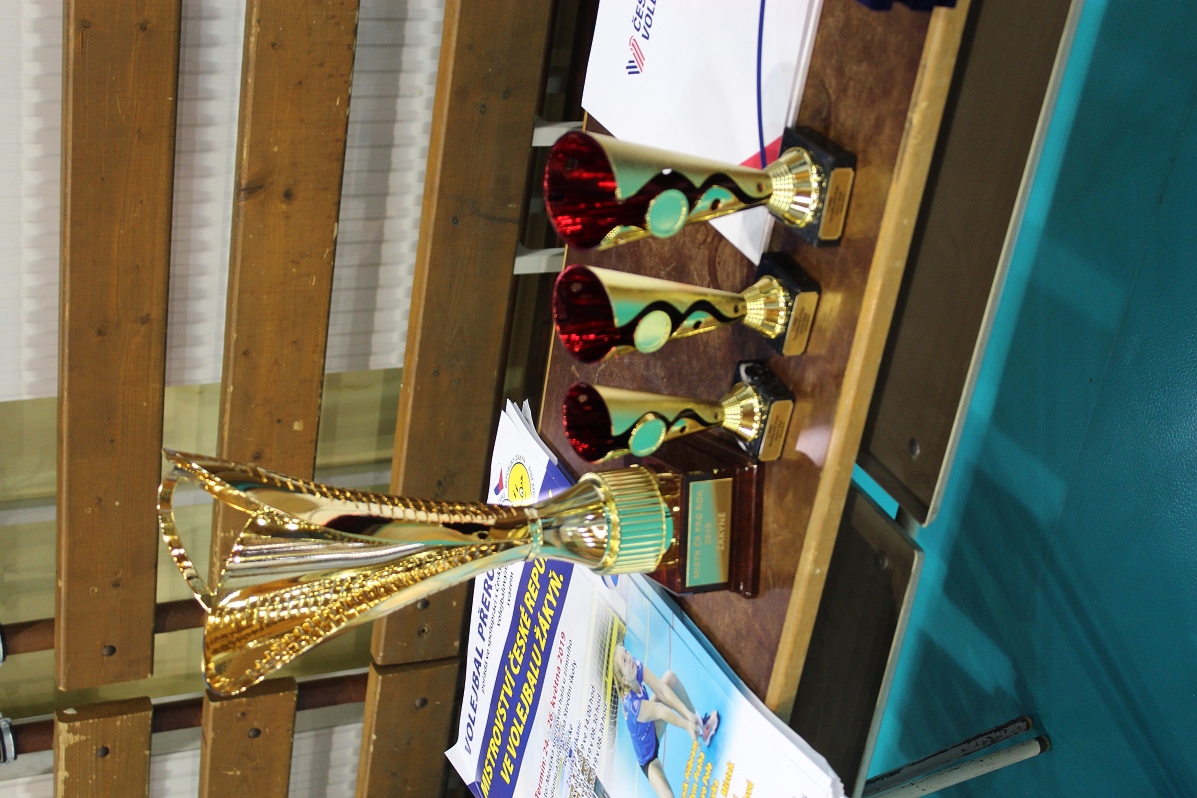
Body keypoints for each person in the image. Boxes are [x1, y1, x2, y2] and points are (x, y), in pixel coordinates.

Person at [613, 643, 719, 798]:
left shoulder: (635, 666)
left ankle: (702, 727)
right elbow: (661, 711)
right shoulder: (633, 706)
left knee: (669, 679)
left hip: (652, 728)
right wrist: (686, 724)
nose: (629, 658)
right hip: (649, 759)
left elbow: (661, 689)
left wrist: (688, 715)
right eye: (624, 660)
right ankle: (693, 725)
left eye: (626, 652)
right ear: (623, 678)